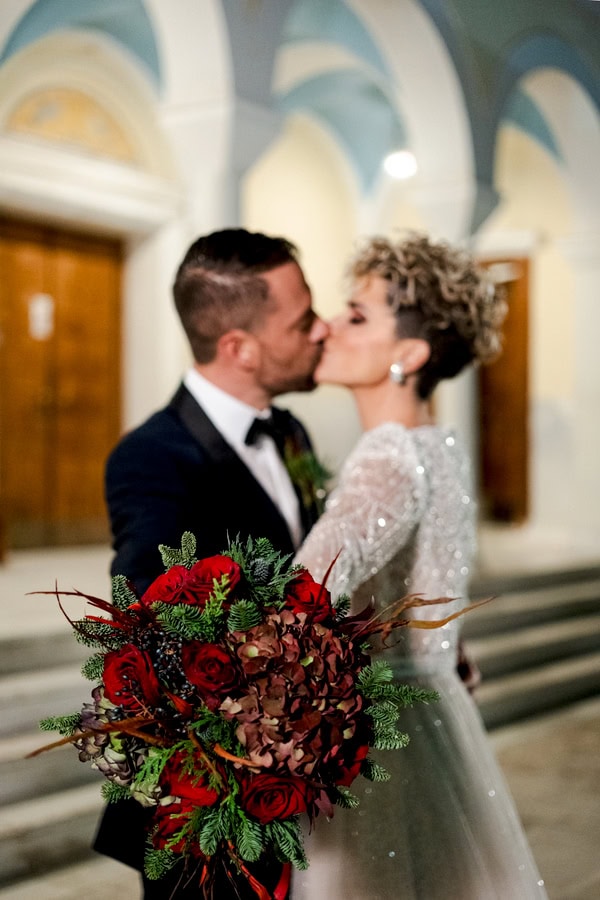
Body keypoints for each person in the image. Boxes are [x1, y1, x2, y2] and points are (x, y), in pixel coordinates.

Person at [291, 234, 547, 899]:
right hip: (434, 720)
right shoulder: (440, 449)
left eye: (355, 315)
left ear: (409, 353)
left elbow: (297, 600)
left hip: (380, 749)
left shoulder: (386, 457)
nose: (328, 327)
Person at [93, 227, 329, 899]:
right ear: (239, 348)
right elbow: (147, 615)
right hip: (206, 798)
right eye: (303, 319)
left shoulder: (291, 433)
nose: (321, 332)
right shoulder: (152, 456)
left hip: (295, 777)